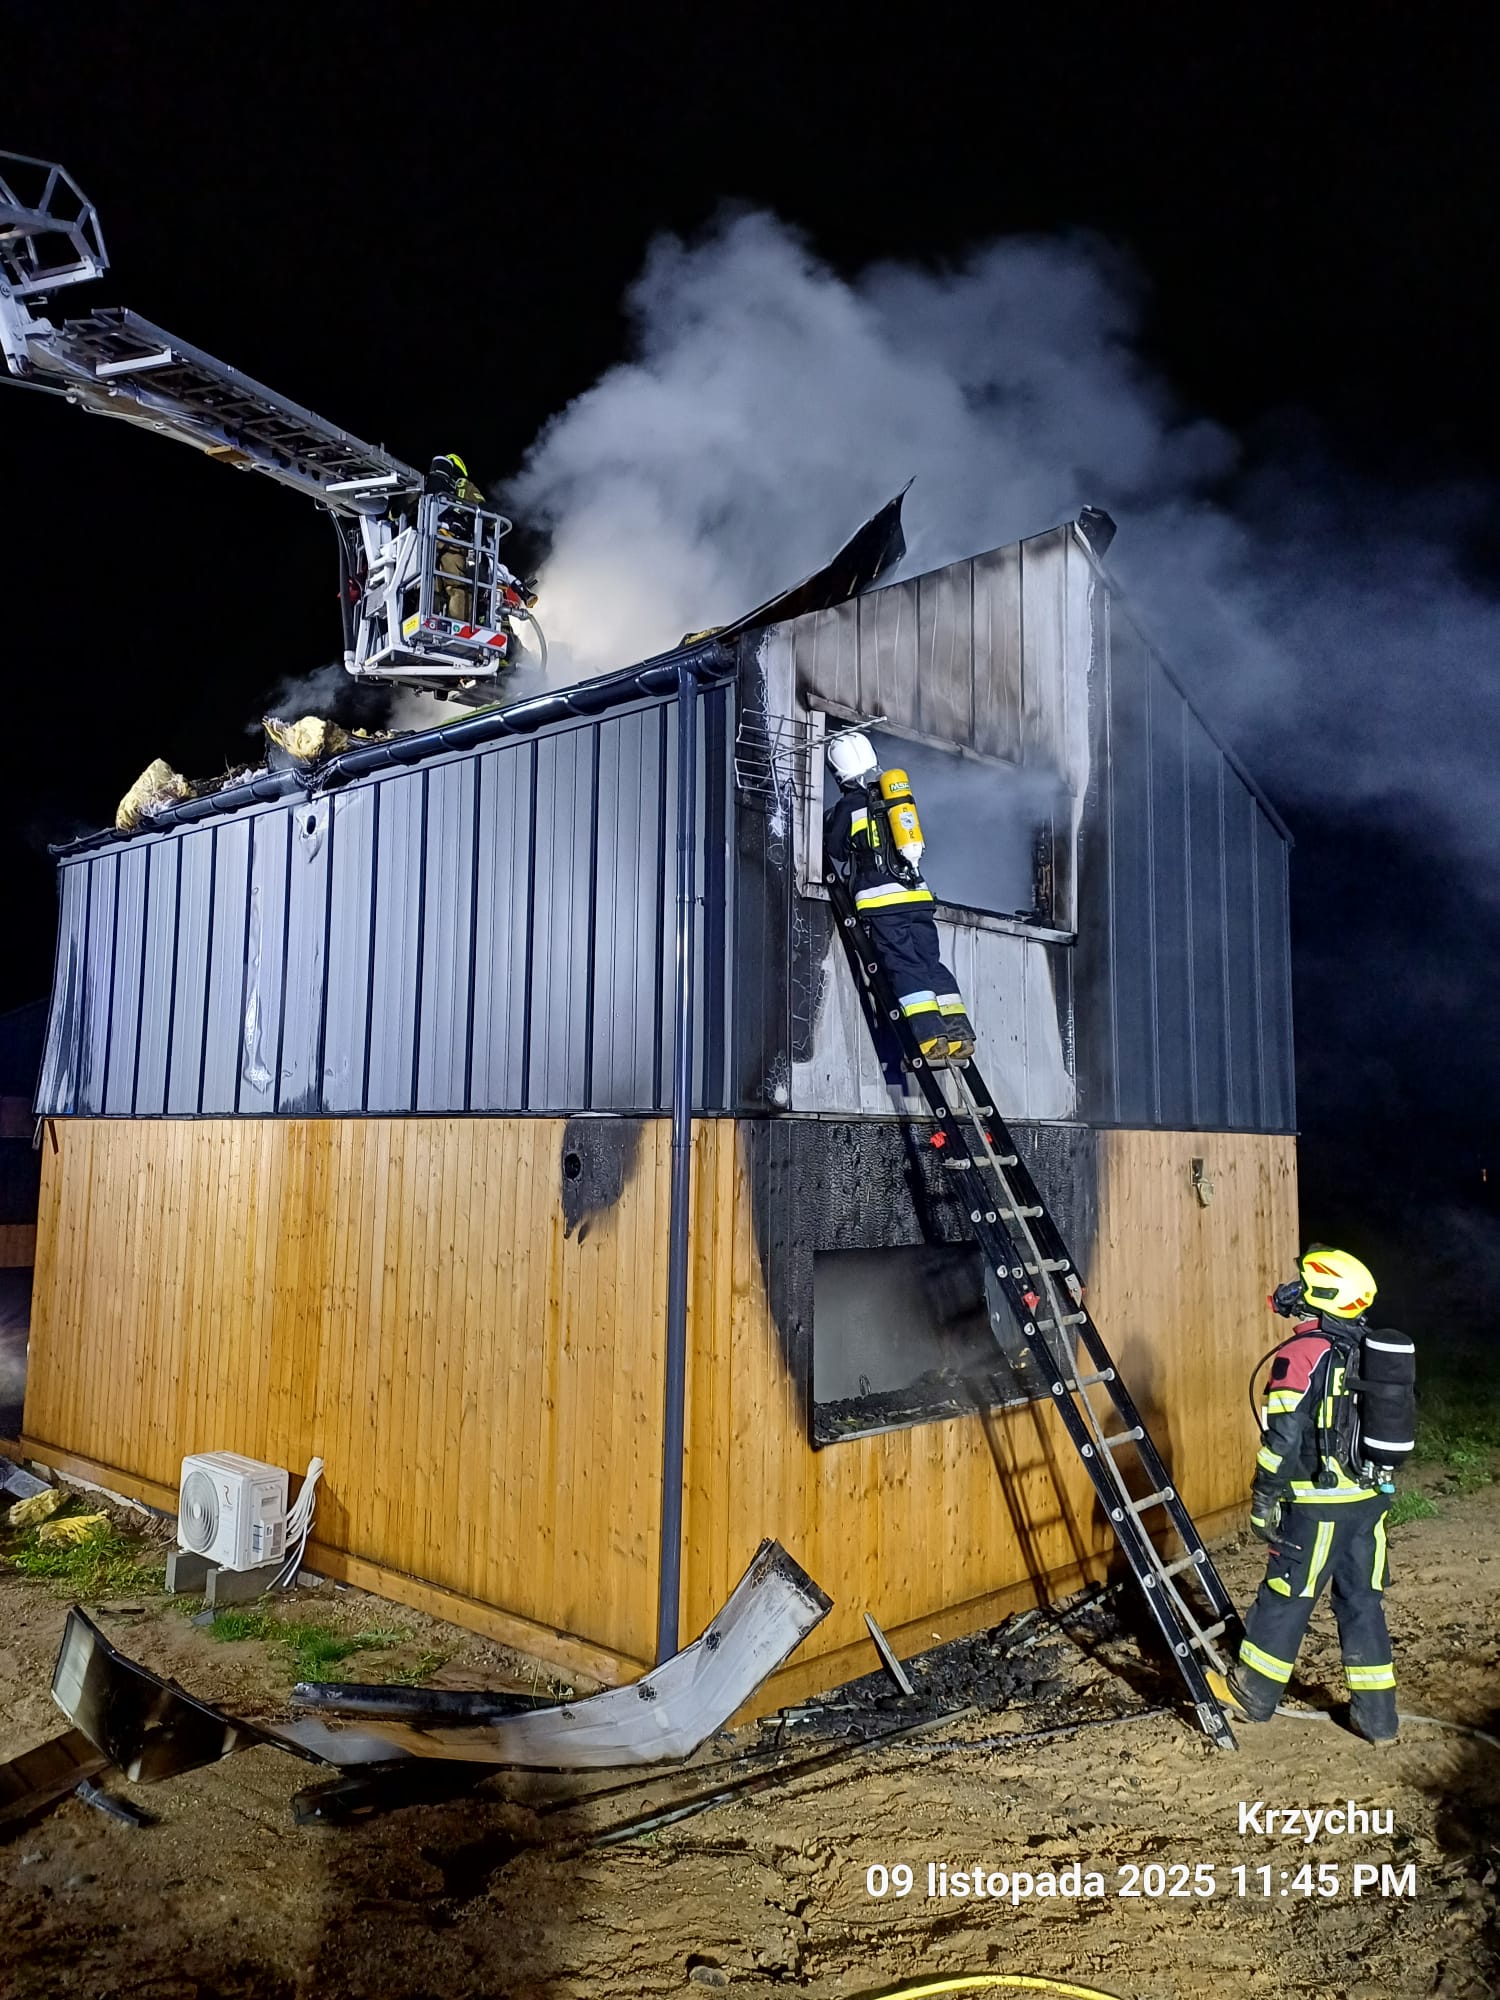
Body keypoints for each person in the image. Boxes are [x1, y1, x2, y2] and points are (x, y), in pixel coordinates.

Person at [1207, 1247, 1409, 1745]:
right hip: (1370, 1502)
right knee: (1362, 1602)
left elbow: (1282, 1439)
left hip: (1319, 1506)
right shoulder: (1371, 1351)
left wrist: (1262, 1500)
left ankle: (1251, 1696)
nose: (1291, 1290)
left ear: (1321, 1293)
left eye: (1301, 1282)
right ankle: (1378, 1720)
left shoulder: (1303, 1353)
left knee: (1286, 1597)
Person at [823, 731, 976, 1064]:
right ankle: (958, 1034)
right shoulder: (896, 801)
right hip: (917, 896)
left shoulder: (851, 806)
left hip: (883, 903)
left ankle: (930, 1038)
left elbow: (834, 848)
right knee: (929, 963)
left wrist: (829, 821)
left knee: (903, 963)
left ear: (839, 773)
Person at [424, 453, 488, 623]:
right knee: (456, 585)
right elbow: (482, 509)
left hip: (428, 542)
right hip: (452, 543)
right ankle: (459, 624)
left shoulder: (430, 485)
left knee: (430, 582)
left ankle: (430, 618)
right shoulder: (464, 486)